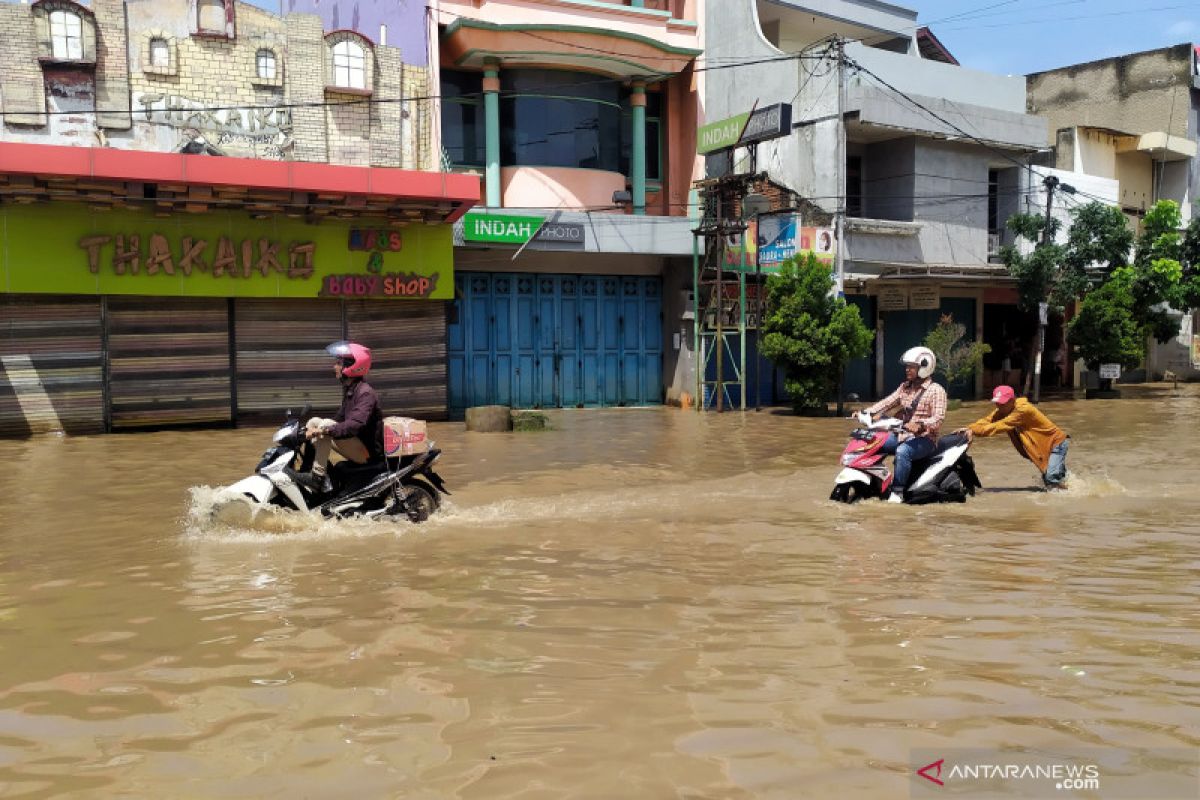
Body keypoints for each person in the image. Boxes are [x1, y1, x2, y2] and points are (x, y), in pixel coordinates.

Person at [286, 340, 384, 494]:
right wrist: (304, 431)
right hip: (356, 444)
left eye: (339, 363)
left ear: (352, 365)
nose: (335, 367)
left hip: (366, 453)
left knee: (324, 425)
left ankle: (317, 478)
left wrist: (324, 430)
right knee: (315, 421)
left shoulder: (365, 393)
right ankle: (307, 468)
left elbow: (354, 425)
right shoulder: (351, 389)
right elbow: (339, 418)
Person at [861, 346, 948, 504]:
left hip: (925, 439)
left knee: (903, 451)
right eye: (907, 366)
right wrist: (866, 412)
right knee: (873, 443)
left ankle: (897, 492)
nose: (907, 370)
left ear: (924, 366)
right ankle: (874, 483)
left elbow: (938, 418)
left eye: (911, 367)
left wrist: (921, 424)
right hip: (902, 434)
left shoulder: (936, 391)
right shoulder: (905, 387)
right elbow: (887, 402)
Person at [954, 385, 1069, 489]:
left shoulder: (1022, 409)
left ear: (1012, 400)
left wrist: (973, 431)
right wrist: (969, 428)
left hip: (1055, 443)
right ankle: (1070, 490)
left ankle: (1062, 502)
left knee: (1051, 478)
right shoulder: (1003, 410)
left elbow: (998, 426)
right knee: (1051, 480)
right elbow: (987, 421)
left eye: (1002, 403)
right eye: (997, 403)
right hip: (1041, 447)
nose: (999, 406)